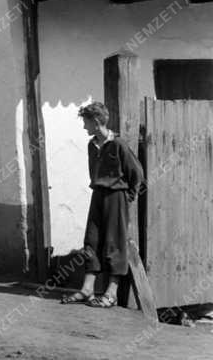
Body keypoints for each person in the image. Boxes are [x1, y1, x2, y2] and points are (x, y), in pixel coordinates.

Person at [61, 101, 144, 308]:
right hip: (97, 195)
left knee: (115, 243)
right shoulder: (92, 145)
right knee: (92, 239)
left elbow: (137, 174)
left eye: (86, 122)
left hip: (117, 196)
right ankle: (87, 289)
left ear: (96, 122)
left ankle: (111, 293)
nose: (84, 127)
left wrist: (128, 197)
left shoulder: (118, 145)